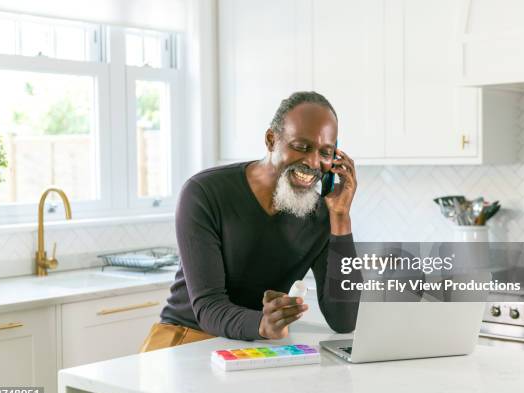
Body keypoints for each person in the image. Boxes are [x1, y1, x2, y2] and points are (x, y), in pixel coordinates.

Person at [140, 91, 362, 352]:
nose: (314, 162)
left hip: (253, 343)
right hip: (185, 337)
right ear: (271, 140)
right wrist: (262, 324)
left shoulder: (322, 215)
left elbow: (345, 320)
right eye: (301, 147)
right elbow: (208, 306)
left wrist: (340, 218)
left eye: (326, 152)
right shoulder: (204, 192)